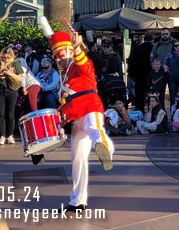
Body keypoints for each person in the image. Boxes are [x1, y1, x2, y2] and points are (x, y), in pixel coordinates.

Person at [48, 30, 114, 213]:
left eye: (61, 55)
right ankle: (78, 200)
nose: (58, 59)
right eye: (55, 57)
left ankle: (105, 151)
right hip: (74, 118)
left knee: (95, 129)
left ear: (69, 51)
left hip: (90, 107)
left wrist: (77, 48)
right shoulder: (62, 76)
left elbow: (84, 65)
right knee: (77, 159)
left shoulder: (79, 64)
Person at [0, 47, 23, 145]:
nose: (6, 59)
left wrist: (9, 73)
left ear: (12, 57)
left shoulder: (15, 64)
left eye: (8, 57)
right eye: (4, 57)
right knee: (1, 113)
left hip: (12, 90)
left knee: (11, 113)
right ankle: (2, 135)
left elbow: (19, 79)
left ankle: (10, 135)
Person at [127, 34, 153, 112]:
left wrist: (132, 75)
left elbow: (132, 61)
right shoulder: (153, 48)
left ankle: (139, 112)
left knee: (139, 96)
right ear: (152, 40)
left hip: (139, 75)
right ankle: (151, 112)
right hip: (150, 75)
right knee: (151, 95)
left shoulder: (137, 48)